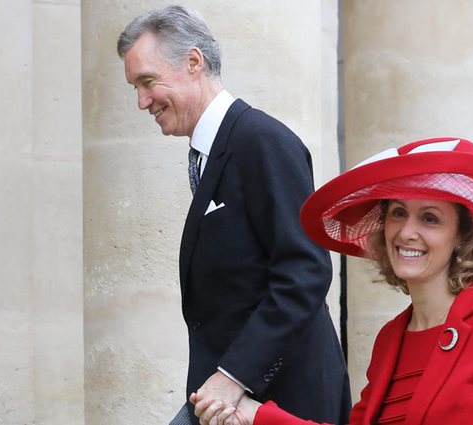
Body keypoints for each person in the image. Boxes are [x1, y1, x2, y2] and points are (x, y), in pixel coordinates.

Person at [195, 137, 473, 425]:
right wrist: (253, 414)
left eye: (430, 218)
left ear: (462, 237)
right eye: (398, 213)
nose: (407, 231)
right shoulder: (391, 339)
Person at [116, 5, 351, 425]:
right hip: (225, 399)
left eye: (148, 82)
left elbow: (305, 271)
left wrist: (233, 374)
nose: (141, 101)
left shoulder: (262, 141)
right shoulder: (214, 149)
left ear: (193, 62)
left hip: (281, 399)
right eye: (135, 87)